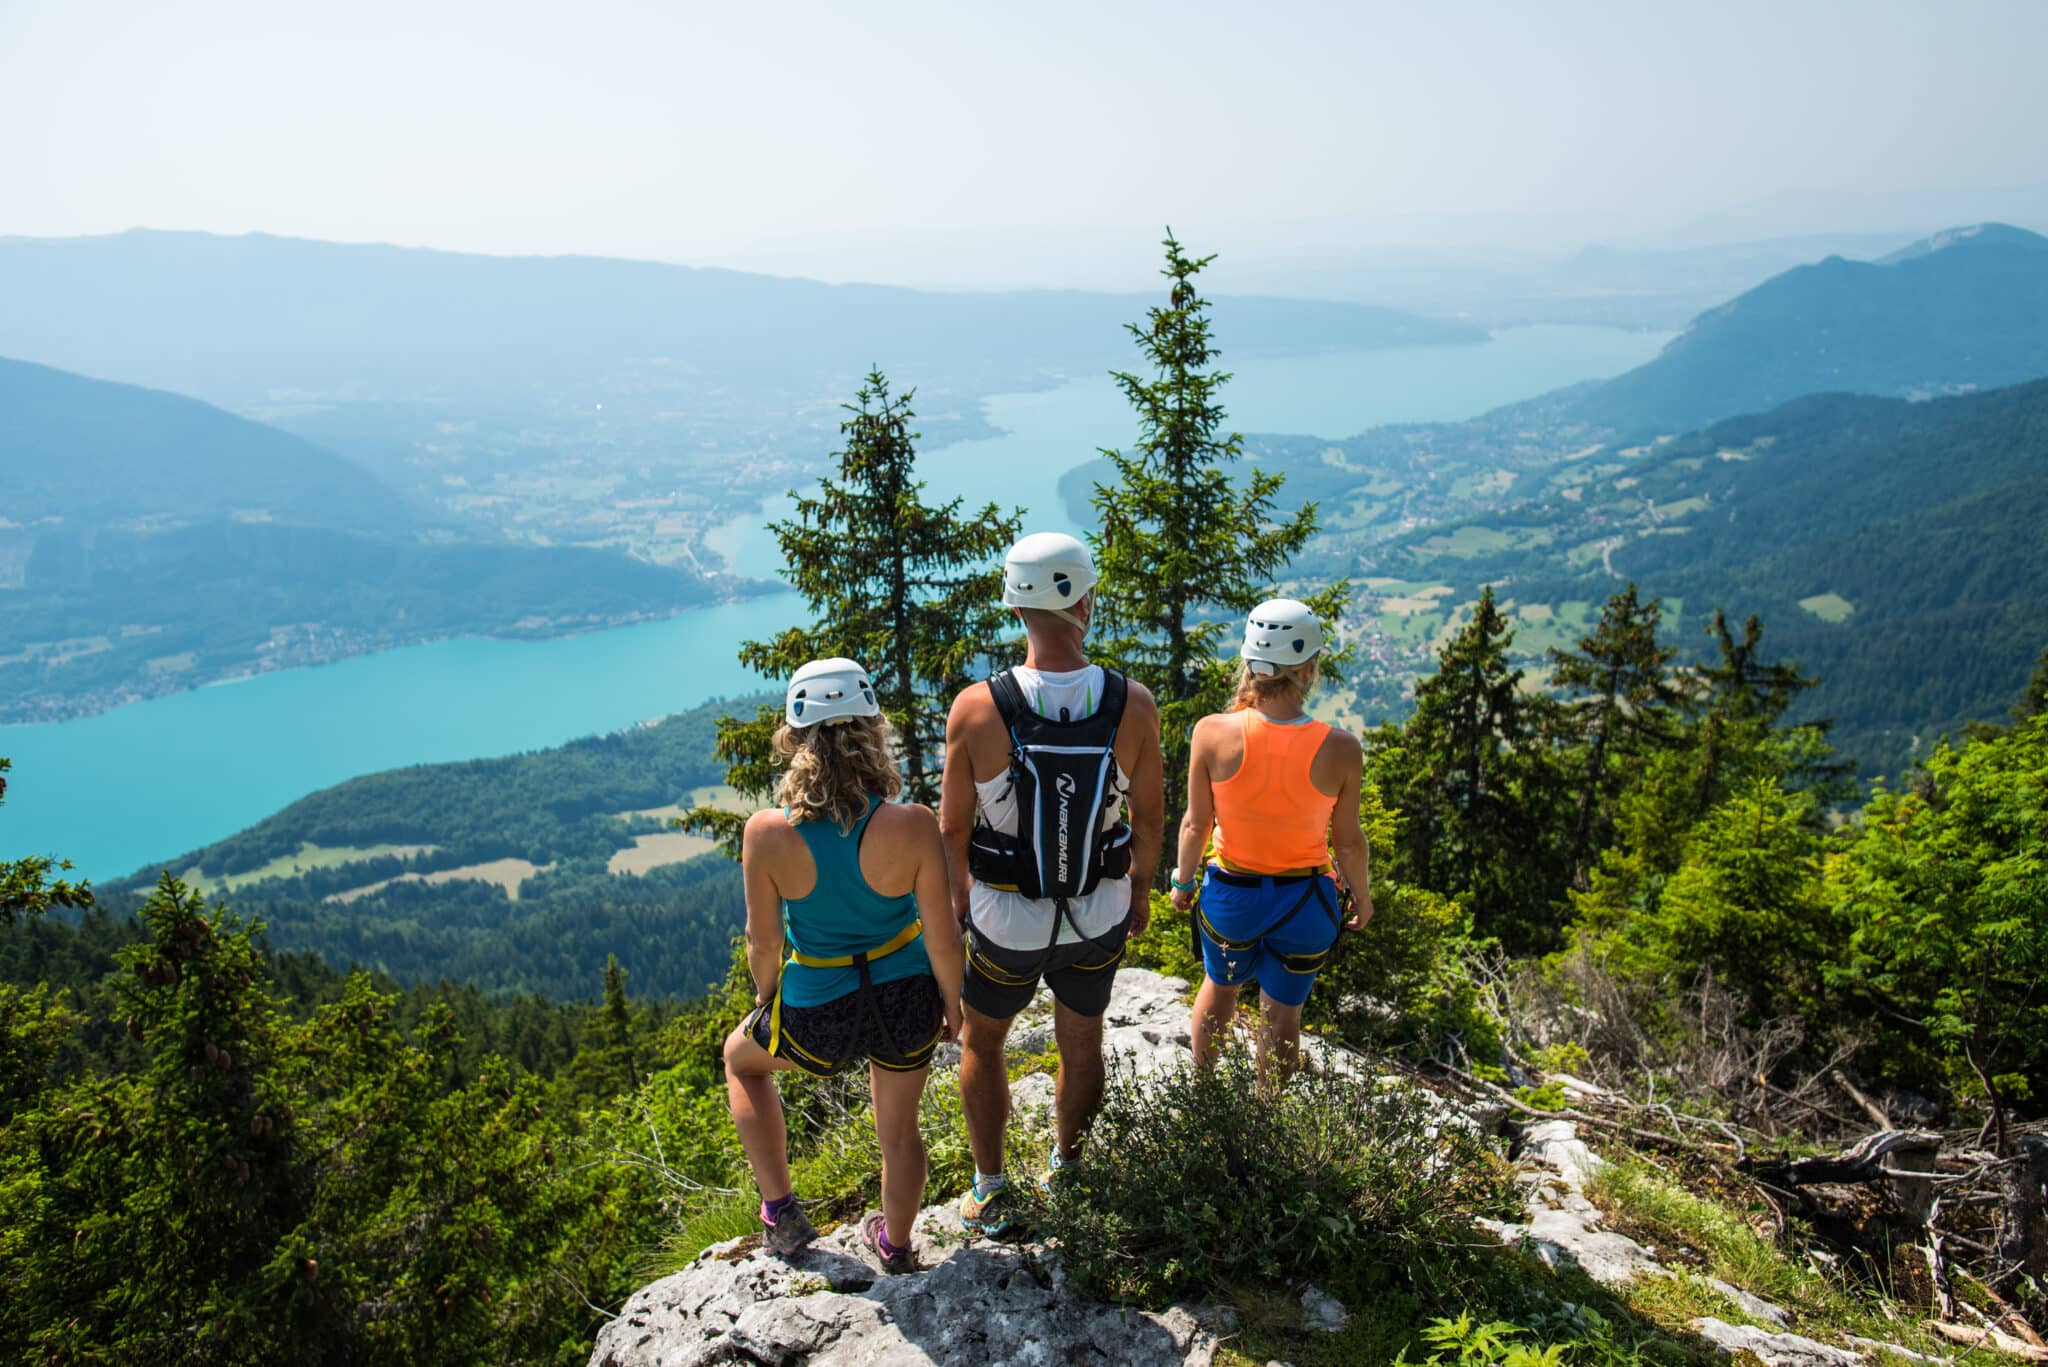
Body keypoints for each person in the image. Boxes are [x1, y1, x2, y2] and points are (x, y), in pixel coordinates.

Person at [939, 531, 1163, 1237]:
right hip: (1098, 910)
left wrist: (959, 905)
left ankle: (991, 1188)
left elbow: (951, 828)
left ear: (1015, 607)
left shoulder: (977, 708)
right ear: (1086, 603)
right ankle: (1069, 1167)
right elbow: (1151, 815)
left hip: (1005, 919)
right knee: (1083, 1040)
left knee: (983, 1042)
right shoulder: (1134, 705)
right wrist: (1143, 890)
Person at [723, 657, 964, 1274]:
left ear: (797, 738)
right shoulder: (911, 823)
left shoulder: (766, 833)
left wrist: (769, 997)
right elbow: (941, 935)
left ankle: (780, 1211)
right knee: (900, 1133)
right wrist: (953, 1008)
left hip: (815, 1009)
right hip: (908, 998)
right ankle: (897, 1245)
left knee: (740, 1060)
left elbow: (763, 941)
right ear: (870, 729)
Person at [1171, 598, 1373, 1090]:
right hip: (1305, 902)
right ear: (1308, 668)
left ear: (1249, 662)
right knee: (1283, 1016)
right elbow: (1347, 843)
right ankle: (1268, 1119)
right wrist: (1363, 897)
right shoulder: (1341, 747)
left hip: (1232, 897)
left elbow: (1196, 825)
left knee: (1220, 990)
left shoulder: (1212, 733)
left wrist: (1183, 881)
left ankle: (1205, 1097)